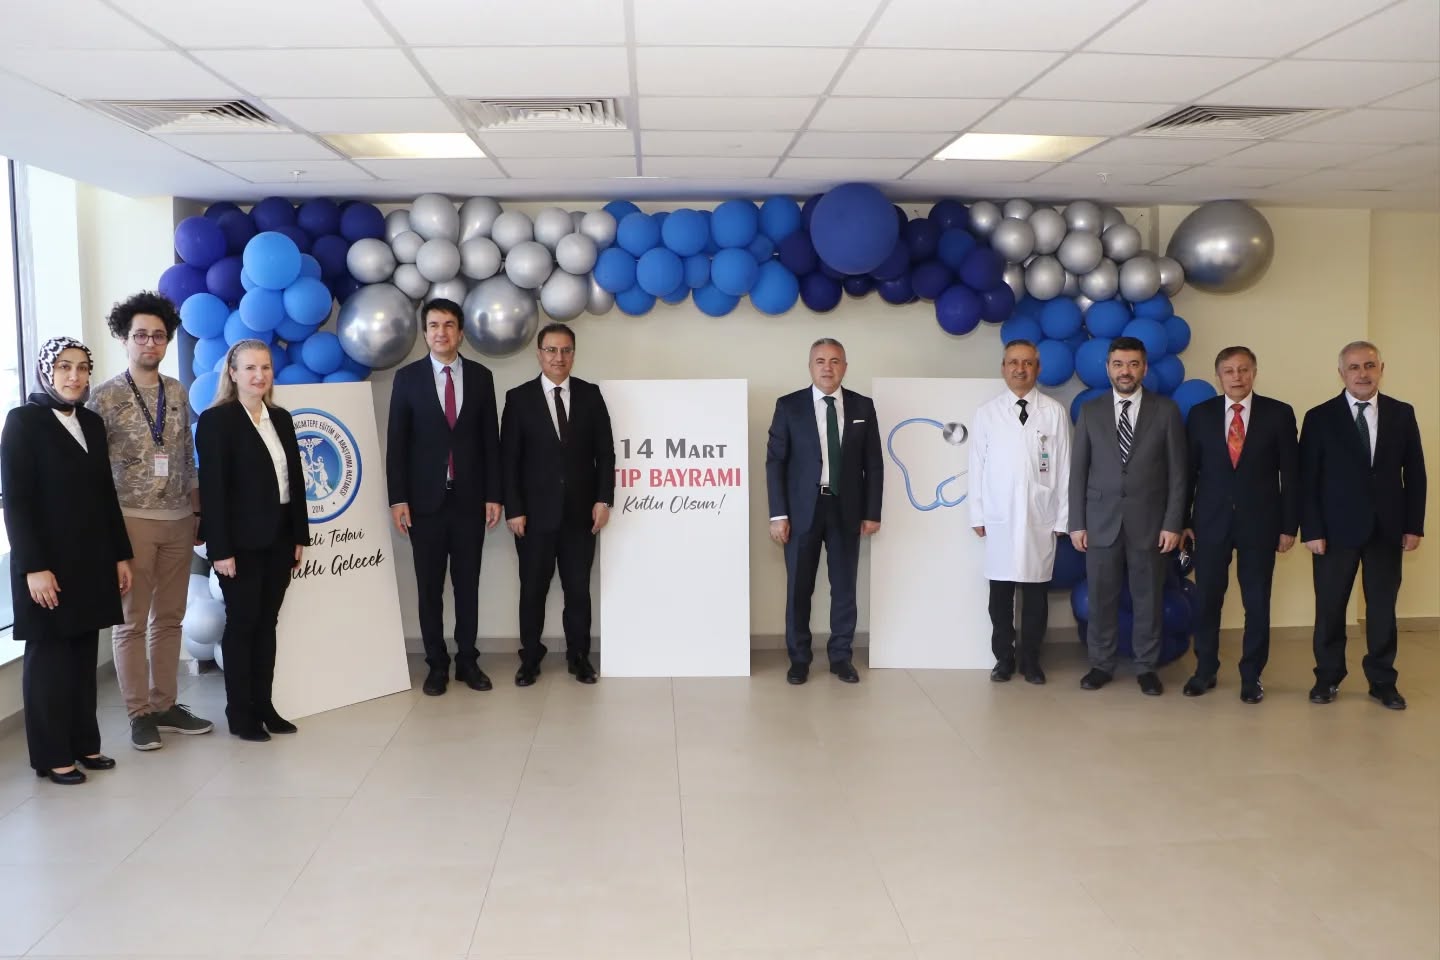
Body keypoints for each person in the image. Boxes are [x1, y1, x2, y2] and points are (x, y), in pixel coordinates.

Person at [2, 337, 133, 784]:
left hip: (91, 560)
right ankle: (52, 754)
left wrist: (121, 554)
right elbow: (16, 501)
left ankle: (83, 744)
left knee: (81, 656)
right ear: (46, 371)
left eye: (81, 367)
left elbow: (105, 495)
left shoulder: (91, 423)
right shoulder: (23, 421)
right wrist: (33, 567)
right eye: (63, 367)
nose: (74, 376)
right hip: (47, 565)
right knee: (50, 660)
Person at [89, 291, 214, 749]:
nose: (150, 343)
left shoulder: (176, 391)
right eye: (140, 335)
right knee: (131, 621)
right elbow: (92, 471)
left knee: (170, 618)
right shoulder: (104, 397)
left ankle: (164, 705)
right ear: (125, 339)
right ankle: (138, 713)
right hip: (131, 521)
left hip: (179, 519)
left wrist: (197, 510)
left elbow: (186, 455)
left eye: (158, 336)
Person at [1300, 341, 1425, 710]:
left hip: (1387, 530)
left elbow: (1415, 474)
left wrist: (1413, 525)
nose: (1362, 373)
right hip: (1333, 532)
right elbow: (1308, 480)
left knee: (1382, 609)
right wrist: (1312, 530)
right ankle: (1327, 677)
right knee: (1330, 608)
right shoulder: (1319, 417)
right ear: (1341, 373)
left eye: (1370, 365)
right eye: (1354, 367)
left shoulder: (1402, 413)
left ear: (1381, 369)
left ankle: (1382, 681)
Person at [387, 298, 502, 697]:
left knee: (467, 586)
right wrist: (398, 499)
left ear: (461, 332)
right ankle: (436, 664)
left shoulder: (482, 377)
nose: (441, 332)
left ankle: (468, 660)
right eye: (434, 325)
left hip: (470, 500)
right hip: (424, 505)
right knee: (429, 589)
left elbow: (490, 441)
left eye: (449, 325)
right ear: (425, 333)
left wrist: (494, 494)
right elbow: (397, 444)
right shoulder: (407, 379)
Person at [196, 340, 307, 740]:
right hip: (239, 544)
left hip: (280, 537)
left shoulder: (281, 418)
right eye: (250, 368)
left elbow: (295, 482)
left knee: (267, 623)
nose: (259, 375)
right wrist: (220, 549)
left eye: (265, 367)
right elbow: (213, 491)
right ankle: (240, 714)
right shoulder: (216, 420)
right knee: (243, 624)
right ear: (232, 373)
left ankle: (265, 706)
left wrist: (299, 535)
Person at [1068, 336, 1186, 696]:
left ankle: (1146, 667)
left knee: (1148, 599)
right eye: (1118, 364)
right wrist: (1077, 523)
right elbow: (1078, 472)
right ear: (1108, 368)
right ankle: (1101, 664)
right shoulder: (1091, 412)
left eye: (1133, 364)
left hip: (1150, 525)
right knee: (1101, 598)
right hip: (1100, 523)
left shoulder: (1165, 411)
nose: (1126, 371)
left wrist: (1173, 523)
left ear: (1144, 368)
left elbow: (1178, 474)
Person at [1182, 346, 1298, 704]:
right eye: (1229, 371)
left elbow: (1291, 475)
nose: (1237, 377)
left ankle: (1252, 676)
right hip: (1210, 523)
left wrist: (1289, 526)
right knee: (1207, 599)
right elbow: (1188, 472)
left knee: (1257, 602)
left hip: (1261, 524)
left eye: (1244, 370)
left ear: (1254, 373)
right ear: (1218, 376)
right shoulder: (1200, 414)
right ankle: (1205, 670)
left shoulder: (1278, 413)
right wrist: (1183, 521)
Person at [501, 322, 615, 687]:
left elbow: (605, 453)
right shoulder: (518, 399)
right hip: (533, 517)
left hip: (581, 516)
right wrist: (514, 509)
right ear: (539, 354)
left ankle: (578, 656)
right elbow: (509, 460)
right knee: (532, 589)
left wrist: (604, 499)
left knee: (578, 590)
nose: (558, 357)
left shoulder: (591, 395)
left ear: (573, 355)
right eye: (551, 350)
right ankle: (530, 656)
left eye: (566, 350)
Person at [765, 338, 883, 685]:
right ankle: (799, 659)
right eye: (820, 361)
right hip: (802, 510)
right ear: (810, 366)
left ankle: (841, 657)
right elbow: (775, 462)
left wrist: (872, 511)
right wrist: (778, 515)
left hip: (846, 508)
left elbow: (874, 463)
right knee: (799, 589)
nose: (827, 368)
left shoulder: (863, 406)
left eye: (835, 361)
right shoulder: (789, 406)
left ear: (845, 367)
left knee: (844, 587)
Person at [969, 340, 1071, 685]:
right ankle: (1004, 659)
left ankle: (1031, 660)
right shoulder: (987, 413)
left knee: (1036, 594)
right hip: (999, 515)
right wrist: (977, 515)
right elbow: (977, 466)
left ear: (1037, 369)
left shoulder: (1053, 412)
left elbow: (1064, 467)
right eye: (1013, 362)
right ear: (1003, 368)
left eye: (1027, 363)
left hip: (1040, 515)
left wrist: (1062, 517)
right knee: (1000, 595)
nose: (1020, 369)